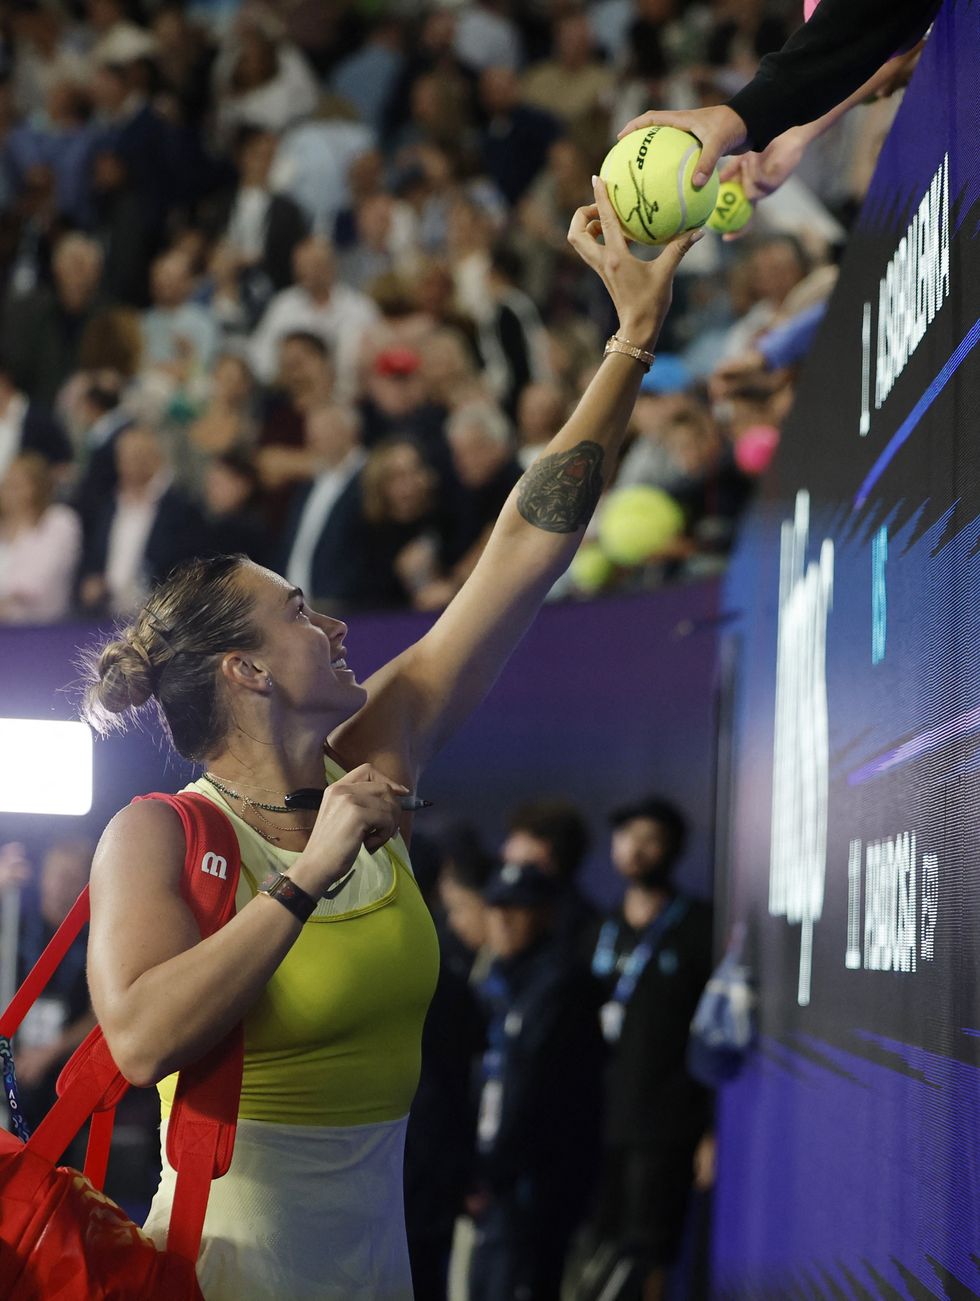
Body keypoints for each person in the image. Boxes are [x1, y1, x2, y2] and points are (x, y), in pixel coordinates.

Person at [80, 178, 703, 1300]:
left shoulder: (380, 750)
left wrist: (630, 344)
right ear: (248, 668)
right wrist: (310, 872)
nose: (335, 624)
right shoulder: (155, 834)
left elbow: (519, 549)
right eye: (300, 611)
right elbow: (137, 1043)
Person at [585, 797, 714, 1301]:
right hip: (598, 1120)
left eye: (650, 840)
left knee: (652, 1254)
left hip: (665, 1126)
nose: (636, 850)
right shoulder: (601, 929)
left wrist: (710, 1129)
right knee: (601, 1246)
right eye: (626, 837)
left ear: (673, 850)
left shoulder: (699, 928)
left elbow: (714, 1038)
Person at [469, 864, 605, 1301]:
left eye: (519, 908)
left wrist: (498, 1166)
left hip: (536, 1178)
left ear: (546, 914)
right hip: (493, 1176)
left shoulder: (565, 985)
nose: (505, 919)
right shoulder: (492, 982)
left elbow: (541, 1089)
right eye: (497, 907)